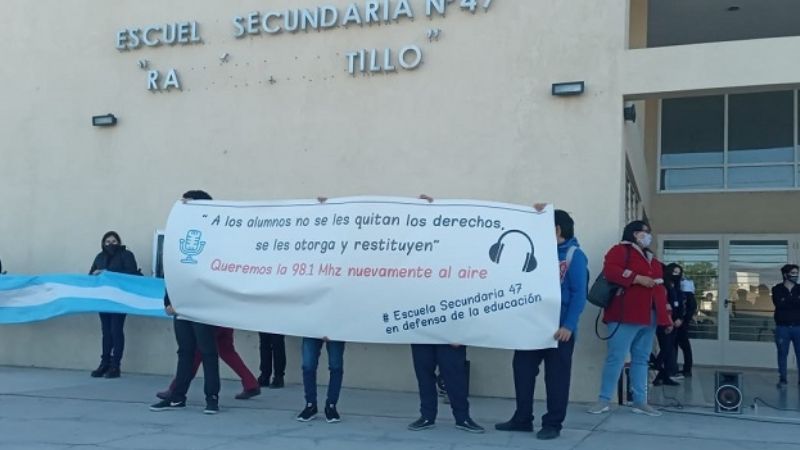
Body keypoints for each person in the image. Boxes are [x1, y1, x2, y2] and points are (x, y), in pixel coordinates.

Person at [495, 208, 588, 440]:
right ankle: (522, 419)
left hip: (559, 330)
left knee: (556, 378)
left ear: (557, 229)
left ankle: (553, 424)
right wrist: (539, 212)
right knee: (522, 372)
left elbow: (578, 294)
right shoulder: (538, 252)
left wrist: (568, 325)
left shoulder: (574, 255)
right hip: (531, 327)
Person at [407, 194, 484, 434]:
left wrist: (462, 330)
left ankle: (462, 418)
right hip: (421, 325)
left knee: (455, 376)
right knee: (424, 374)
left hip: (451, 328)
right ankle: (427, 416)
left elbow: (468, 290)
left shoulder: (458, 257)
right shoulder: (412, 254)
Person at [586, 220, 671, 417]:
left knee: (641, 359)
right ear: (634, 233)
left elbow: (660, 287)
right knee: (616, 357)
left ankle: (640, 400)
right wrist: (636, 278)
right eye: (645, 232)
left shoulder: (651, 257)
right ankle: (604, 399)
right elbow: (611, 271)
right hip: (624, 314)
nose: (648, 235)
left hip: (649, 315)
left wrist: (665, 316)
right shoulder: (620, 251)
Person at [150, 190, 221, 415]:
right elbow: (171, 269)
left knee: (208, 352)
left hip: (203, 305)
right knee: (185, 352)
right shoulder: (179, 234)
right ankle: (177, 396)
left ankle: (212, 398)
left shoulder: (216, 236)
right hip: (181, 305)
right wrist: (167, 301)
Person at [156, 326, 260, 400]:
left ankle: (176, 388)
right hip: (225, 318)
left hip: (211, 320)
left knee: (196, 354)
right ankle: (251, 383)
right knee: (227, 351)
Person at [89, 231, 140, 379]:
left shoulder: (126, 255)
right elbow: (91, 275)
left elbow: (131, 273)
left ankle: (115, 365)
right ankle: (104, 363)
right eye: (107, 242)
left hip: (119, 299)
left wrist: (107, 272)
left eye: (113, 241)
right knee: (106, 332)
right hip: (103, 300)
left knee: (116, 330)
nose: (110, 244)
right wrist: (94, 275)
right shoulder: (100, 257)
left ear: (118, 241)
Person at [296, 336, 345, 423]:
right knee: (308, 366)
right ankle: (310, 405)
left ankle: (331, 406)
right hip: (312, 328)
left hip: (336, 328)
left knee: (336, 367)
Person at [653, 263, 683, 386]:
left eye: (679, 273)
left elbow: (679, 304)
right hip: (665, 322)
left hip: (675, 322)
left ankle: (664, 375)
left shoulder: (676, 287)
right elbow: (665, 305)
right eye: (674, 272)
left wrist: (680, 318)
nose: (677, 275)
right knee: (665, 348)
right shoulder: (663, 287)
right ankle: (655, 368)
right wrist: (669, 321)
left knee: (670, 349)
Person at [771, 264, 800, 388]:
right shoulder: (777, 289)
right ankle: (783, 378)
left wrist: (786, 300)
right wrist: (795, 300)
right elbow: (779, 304)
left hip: (799, 327)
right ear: (785, 275)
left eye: (797, 273)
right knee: (782, 353)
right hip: (782, 327)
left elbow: (784, 303)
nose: (796, 275)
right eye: (793, 273)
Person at [676, 274, 696, 378]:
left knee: (684, 345)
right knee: (684, 346)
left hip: (681, 323)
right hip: (684, 322)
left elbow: (685, 311)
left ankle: (687, 369)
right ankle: (686, 369)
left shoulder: (685, 297)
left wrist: (682, 320)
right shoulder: (691, 297)